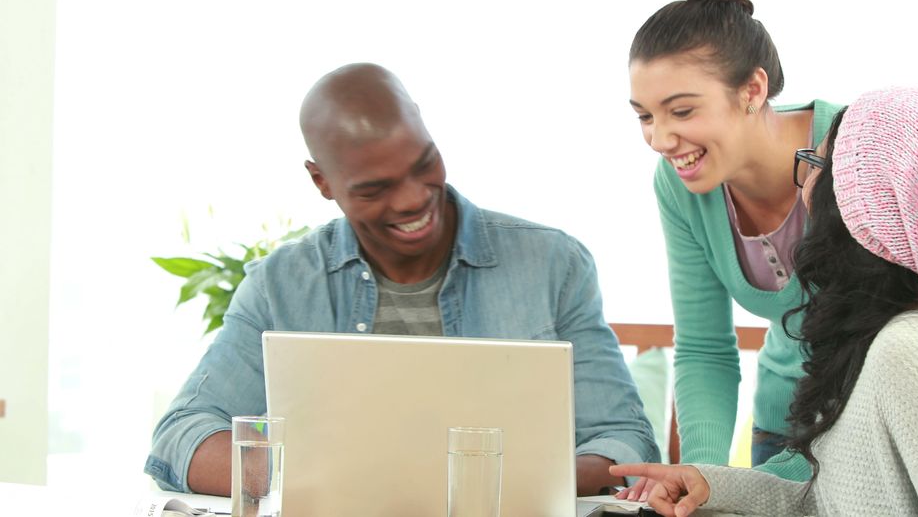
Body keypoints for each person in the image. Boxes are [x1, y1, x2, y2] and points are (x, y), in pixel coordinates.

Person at [144, 63, 660, 496]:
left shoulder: (552, 264)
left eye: (423, 163)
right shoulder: (282, 284)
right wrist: (334, 479)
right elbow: (182, 437)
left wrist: (498, 483)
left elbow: (622, 439)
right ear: (322, 181)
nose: (413, 198)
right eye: (376, 187)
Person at [611, 87, 918, 516]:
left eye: (815, 166)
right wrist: (709, 482)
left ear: (864, 203)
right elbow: (822, 498)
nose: (803, 188)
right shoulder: (869, 340)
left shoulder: (915, 350)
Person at [623, 0, 844, 487]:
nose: (660, 139)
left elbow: (881, 334)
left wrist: (785, 476)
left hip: (867, 428)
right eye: (645, 116)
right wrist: (707, 475)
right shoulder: (679, 185)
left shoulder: (852, 151)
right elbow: (704, 347)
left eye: (681, 111)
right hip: (779, 425)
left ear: (752, 90)